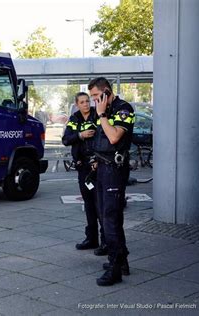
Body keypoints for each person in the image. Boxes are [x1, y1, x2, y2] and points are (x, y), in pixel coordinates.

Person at [88, 77, 134, 286]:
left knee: (110, 218)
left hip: (115, 170)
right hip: (101, 167)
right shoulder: (102, 110)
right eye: (92, 98)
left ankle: (115, 268)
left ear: (106, 92)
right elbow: (100, 139)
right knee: (105, 215)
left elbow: (114, 137)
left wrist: (102, 114)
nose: (94, 101)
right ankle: (121, 260)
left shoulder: (123, 109)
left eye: (97, 97)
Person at [62, 92, 107, 256]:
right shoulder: (74, 119)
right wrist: (80, 135)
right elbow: (66, 139)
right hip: (83, 168)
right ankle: (92, 239)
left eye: (87, 101)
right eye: (82, 102)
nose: (86, 104)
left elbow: (105, 136)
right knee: (88, 204)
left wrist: (98, 159)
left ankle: (106, 241)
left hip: (98, 166)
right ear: (77, 104)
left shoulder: (98, 115)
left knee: (99, 204)